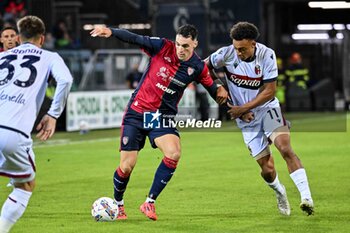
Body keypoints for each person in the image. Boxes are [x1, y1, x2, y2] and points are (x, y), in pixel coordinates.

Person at [90, 24, 228, 221]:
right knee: (127, 167)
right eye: (179, 44)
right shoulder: (162, 46)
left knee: (174, 153)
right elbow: (134, 38)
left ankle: (149, 202)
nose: (181, 49)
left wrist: (221, 90)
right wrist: (111, 31)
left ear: (195, 44)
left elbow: (213, 90)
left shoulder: (197, 67)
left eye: (186, 46)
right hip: (136, 113)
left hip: (159, 117)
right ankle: (118, 204)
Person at [206, 22, 314, 216]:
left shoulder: (267, 55)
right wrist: (218, 85)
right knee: (267, 169)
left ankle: (306, 198)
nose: (238, 53)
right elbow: (203, 67)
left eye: (243, 49)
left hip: (267, 108)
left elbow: (270, 91)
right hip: (246, 119)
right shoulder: (226, 53)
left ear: (253, 43)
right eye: (236, 48)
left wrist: (243, 108)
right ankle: (280, 191)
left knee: (284, 147)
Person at [0, 15, 73, 232]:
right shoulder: (50, 57)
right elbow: (66, 79)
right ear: (42, 39)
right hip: (12, 132)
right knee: (26, 185)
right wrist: (53, 114)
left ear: (19, 37)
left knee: (21, 174)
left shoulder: (3, 57)